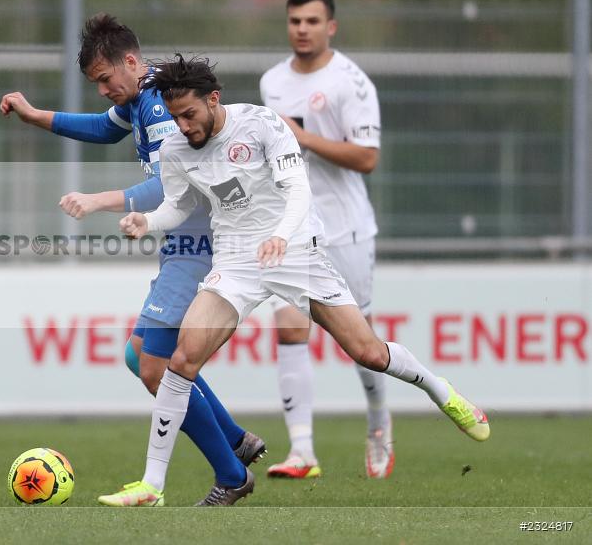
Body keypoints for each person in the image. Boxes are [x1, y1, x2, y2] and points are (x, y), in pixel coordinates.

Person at [117, 54, 489, 506]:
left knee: (367, 352)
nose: (183, 126)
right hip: (236, 260)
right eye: (175, 117)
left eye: (190, 114)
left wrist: (279, 235)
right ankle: (152, 486)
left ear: (214, 100)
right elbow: (177, 205)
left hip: (295, 251)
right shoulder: (176, 149)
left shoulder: (262, 124)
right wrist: (148, 222)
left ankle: (442, 391)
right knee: (181, 360)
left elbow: (298, 189)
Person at [0, 14, 264, 507]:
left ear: (130, 61)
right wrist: (37, 116)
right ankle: (234, 440)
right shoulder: (143, 95)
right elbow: (104, 128)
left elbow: (171, 185)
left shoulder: (161, 105)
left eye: (104, 79)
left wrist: (100, 200)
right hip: (184, 244)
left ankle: (231, 474)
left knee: (152, 364)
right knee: (139, 356)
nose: (102, 90)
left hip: (197, 244)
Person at [259, 0, 392, 479]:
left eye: (312, 21)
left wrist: (305, 138)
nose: (302, 29)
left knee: (365, 346)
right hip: (293, 229)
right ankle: (302, 452)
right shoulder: (272, 81)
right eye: (295, 20)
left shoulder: (351, 83)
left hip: (346, 229)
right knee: (290, 328)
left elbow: (368, 158)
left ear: (330, 26)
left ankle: (379, 422)